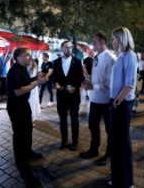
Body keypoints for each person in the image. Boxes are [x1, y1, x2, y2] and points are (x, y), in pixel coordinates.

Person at [6, 47, 48, 178]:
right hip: (16, 107)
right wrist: (37, 83)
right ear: (18, 57)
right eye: (26, 55)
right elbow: (18, 91)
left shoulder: (23, 68)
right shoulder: (13, 71)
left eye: (29, 55)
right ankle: (21, 164)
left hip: (24, 105)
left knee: (28, 130)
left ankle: (28, 153)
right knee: (19, 135)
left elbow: (25, 82)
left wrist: (35, 77)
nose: (29, 57)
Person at [80, 32, 116, 166]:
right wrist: (88, 82)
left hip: (106, 100)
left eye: (94, 41)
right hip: (94, 98)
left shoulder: (110, 58)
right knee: (92, 125)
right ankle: (94, 149)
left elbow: (110, 83)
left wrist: (93, 85)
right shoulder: (96, 57)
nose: (92, 43)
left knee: (109, 129)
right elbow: (98, 77)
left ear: (102, 42)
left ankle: (109, 154)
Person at [108, 27, 137, 188]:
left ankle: (126, 181)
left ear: (121, 39)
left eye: (114, 39)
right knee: (116, 142)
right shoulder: (121, 56)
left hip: (122, 103)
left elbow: (129, 84)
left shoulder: (130, 56)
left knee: (122, 143)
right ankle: (117, 176)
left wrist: (116, 102)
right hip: (117, 101)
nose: (112, 42)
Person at [53, 40, 85, 151]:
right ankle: (64, 140)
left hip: (74, 96)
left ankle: (75, 141)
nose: (69, 49)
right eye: (66, 47)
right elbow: (54, 77)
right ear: (62, 48)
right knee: (62, 119)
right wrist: (56, 84)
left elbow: (80, 78)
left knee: (74, 119)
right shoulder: (56, 62)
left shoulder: (77, 61)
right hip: (61, 95)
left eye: (70, 47)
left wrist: (76, 87)